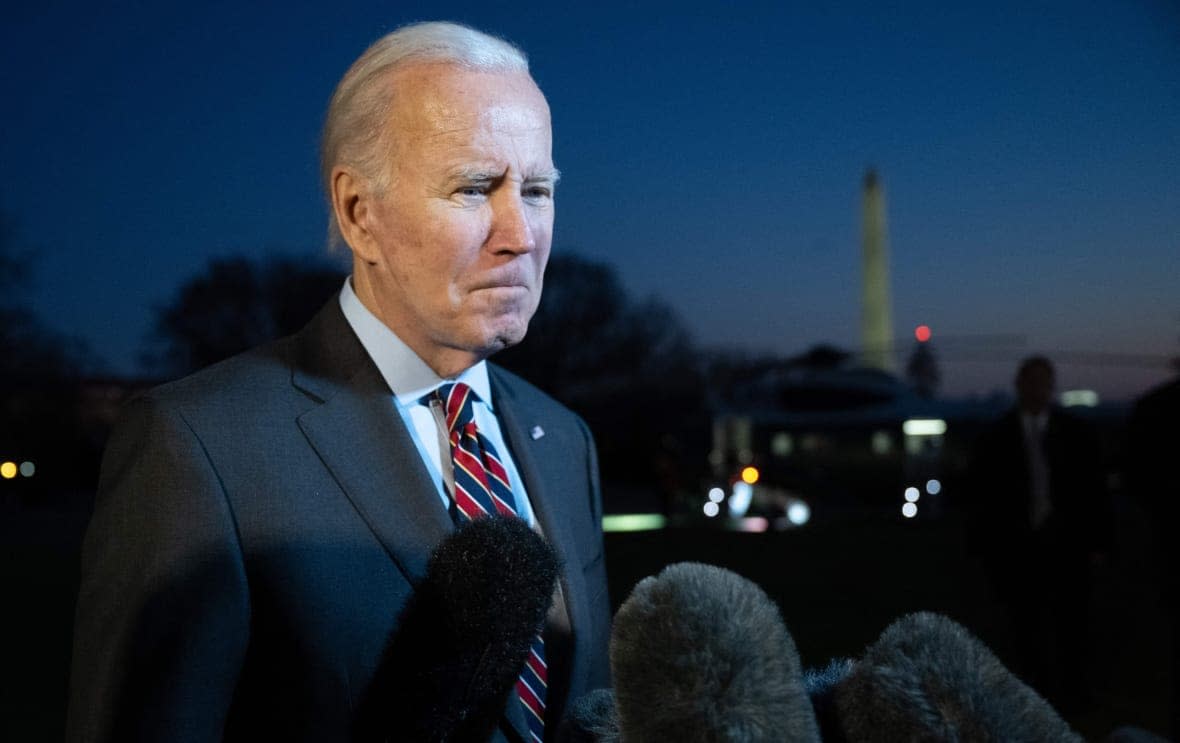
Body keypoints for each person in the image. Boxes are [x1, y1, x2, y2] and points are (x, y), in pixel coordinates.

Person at [66, 21, 610, 742]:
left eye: (537, 189)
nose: (521, 232)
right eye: (475, 187)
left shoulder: (564, 438)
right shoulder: (200, 447)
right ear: (360, 213)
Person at [968, 355, 1110, 711]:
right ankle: (1034, 691)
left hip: (1068, 544)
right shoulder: (995, 436)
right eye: (1030, 382)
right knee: (1025, 623)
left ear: (1051, 387)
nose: (1036, 389)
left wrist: (1098, 543)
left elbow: (1093, 491)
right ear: (1018, 385)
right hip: (1018, 547)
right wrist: (987, 548)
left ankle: (1075, 691)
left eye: (1043, 382)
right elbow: (983, 496)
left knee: (1073, 621)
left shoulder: (1077, 432)